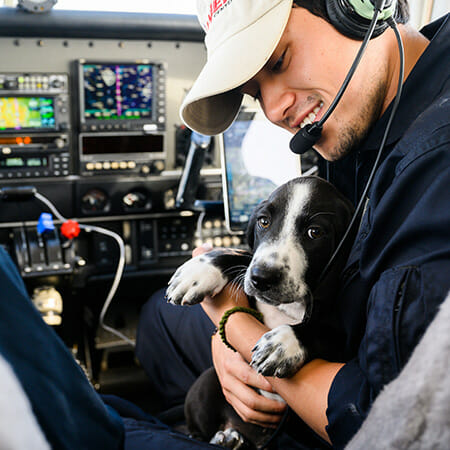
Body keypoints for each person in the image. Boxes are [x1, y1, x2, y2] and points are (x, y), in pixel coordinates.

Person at [136, 0, 450, 448]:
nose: (275, 108)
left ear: (359, 6)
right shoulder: (373, 109)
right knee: (160, 315)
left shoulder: (436, 162)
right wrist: (230, 345)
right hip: (316, 322)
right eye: (254, 91)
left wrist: (234, 325)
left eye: (279, 60)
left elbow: (394, 425)